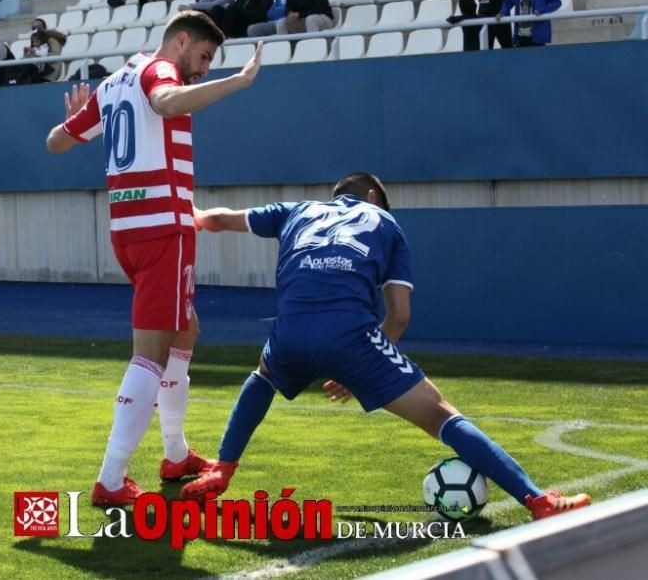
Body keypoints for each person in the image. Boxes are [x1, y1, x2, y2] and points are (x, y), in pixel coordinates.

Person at [179, 173, 593, 522]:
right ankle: (538, 501)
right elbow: (398, 316)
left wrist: (190, 216)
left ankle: (223, 468)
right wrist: (362, 363)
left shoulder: (297, 209)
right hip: (352, 335)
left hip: (289, 330)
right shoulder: (386, 223)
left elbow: (219, 219)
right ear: (373, 196)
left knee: (264, 375)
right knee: (440, 414)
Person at [45, 11, 263, 507]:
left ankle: (174, 452)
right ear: (180, 41)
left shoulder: (112, 84)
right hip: (164, 230)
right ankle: (111, 477)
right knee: (151, 353)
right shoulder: (158, 72)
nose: (204, 68)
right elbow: (166, 101)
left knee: (185, 330)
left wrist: (78, 118)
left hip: (128, 230)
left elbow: (55, 142)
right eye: (204, 56)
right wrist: (238, 82)